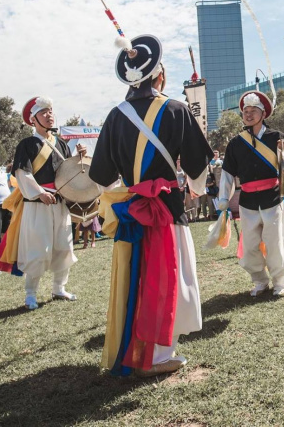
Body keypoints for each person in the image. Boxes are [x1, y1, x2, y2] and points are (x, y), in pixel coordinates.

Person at [90, 34, 212, 377]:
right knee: (167, 275)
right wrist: (196, 189)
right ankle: (158, 355)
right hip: (167, 207)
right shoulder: (175, 109)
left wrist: (128, 192)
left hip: (133, 209)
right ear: (160, 74)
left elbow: (100, 175)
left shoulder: (115, 116)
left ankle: (145, 348)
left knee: (137, 276)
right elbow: (198, 165)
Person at [0, 98, 83, 310]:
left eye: (51, 111)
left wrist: (80, 157)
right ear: (33, 119)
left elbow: (69, 172)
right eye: (44, 112)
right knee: (38, 249)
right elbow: (23, 173)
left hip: (60, 204)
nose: (49, 114)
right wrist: (39, 193)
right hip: (37, 205)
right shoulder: (26, 145)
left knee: (64, 246)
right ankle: (30, 294)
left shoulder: (61, 143)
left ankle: (58, 288)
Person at [216, 90, 284, 297]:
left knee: (274, 242)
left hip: (272, 198)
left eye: (254, 110)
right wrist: (224, 198)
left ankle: (280, 282)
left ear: (263, 114)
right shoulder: (236, 143)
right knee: (251, 244)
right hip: (247, 202)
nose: (249, 114)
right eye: (246, 110)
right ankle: (260, 281)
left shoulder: (277, 137)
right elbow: (227, 173)